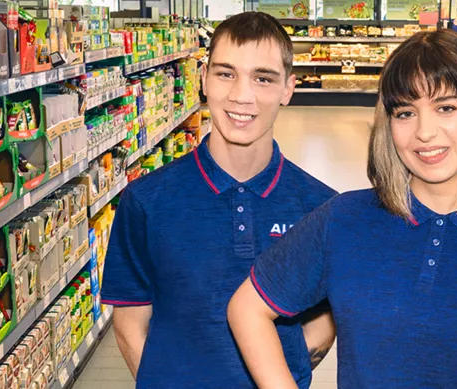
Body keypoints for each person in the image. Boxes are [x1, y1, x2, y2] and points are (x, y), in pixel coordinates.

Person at [226, 30, 457, 388]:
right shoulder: (344, 220)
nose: (424, 132)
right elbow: (248, 309)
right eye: (405, 112)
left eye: (446, 107)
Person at [100, 11, 339, 389]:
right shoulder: (145, 201)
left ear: (288, 89)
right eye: (226, 73)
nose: (241, 96)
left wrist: (277, 371)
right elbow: (130, 323)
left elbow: (324, 321)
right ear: (203, 79)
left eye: (263, 78)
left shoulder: (322, 207)